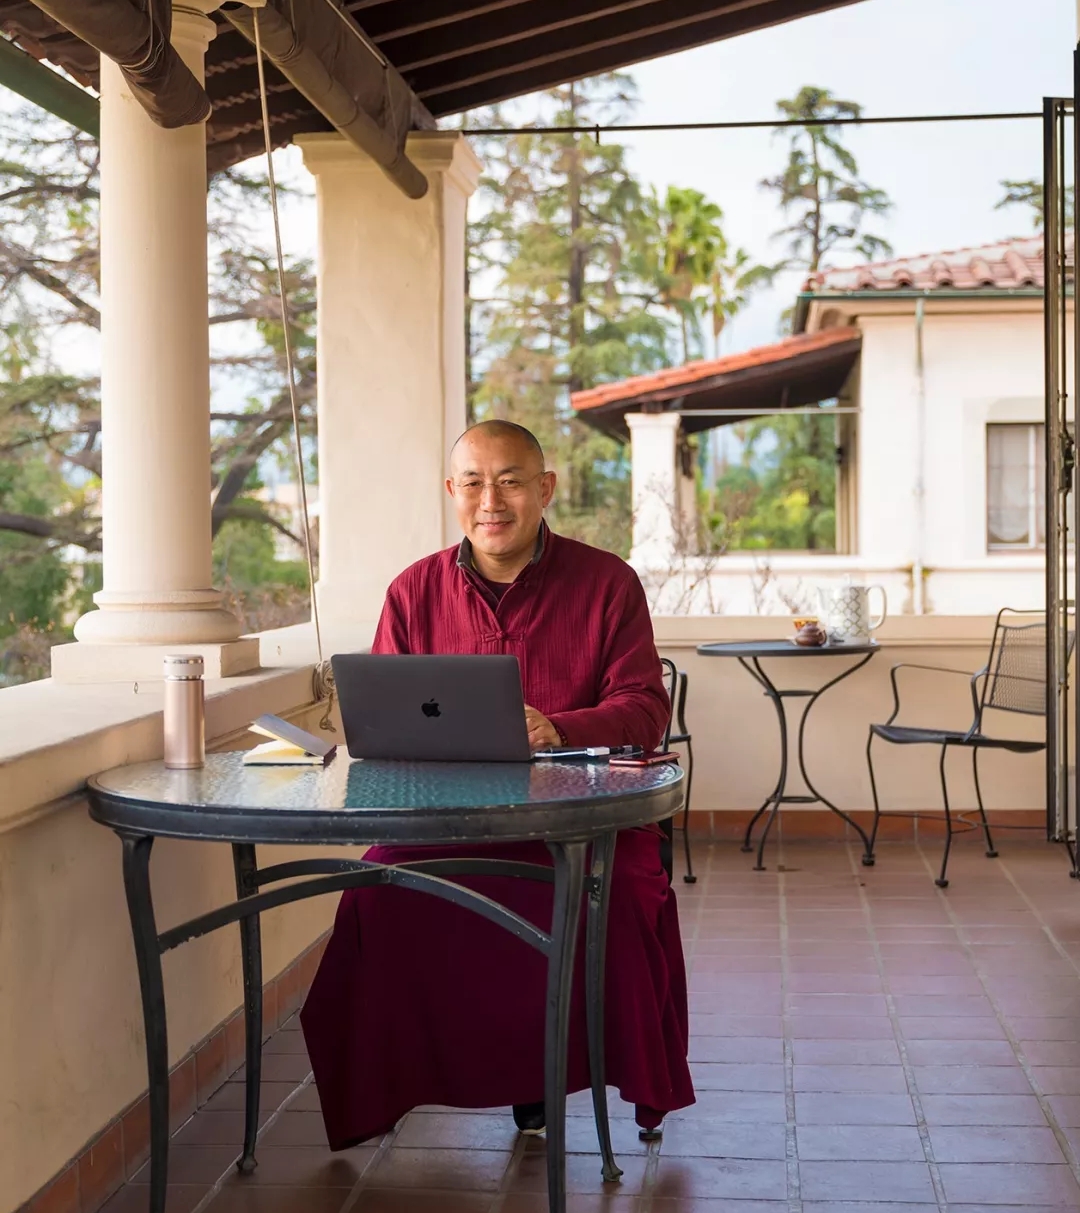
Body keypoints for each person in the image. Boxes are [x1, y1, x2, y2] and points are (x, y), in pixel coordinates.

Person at [300, 420, 695, 1148]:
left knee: (619, 902)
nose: (492, 501)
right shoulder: (413, 590)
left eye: (511, 481)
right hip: (447, 826)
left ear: (545, 489)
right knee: (374, 898)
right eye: (474, 483)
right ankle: (395, 1087)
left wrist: (558, 726)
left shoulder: (607, 583)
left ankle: (554, 1074)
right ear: (452, 491)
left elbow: (645, 709)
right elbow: (382, 723)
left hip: (580, 824)